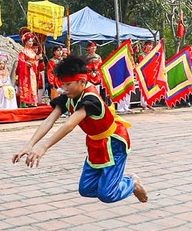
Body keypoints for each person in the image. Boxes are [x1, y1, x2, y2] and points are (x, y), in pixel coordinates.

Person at [13, 54, 148, 205]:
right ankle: (113, 181)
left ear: (82, 81)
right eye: (62, 84)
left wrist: (44, 147)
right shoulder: (69, 95)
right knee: (86, 189)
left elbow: (69, 124)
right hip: (95, 143)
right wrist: (30, 144)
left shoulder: (91, 98)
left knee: (107, 195)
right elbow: (50, 120)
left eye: (68, 84)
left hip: (114, 142)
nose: (64, 89)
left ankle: (132, 182)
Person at [16, 31, 42, 106]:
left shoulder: (32, 52)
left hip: (32, 71)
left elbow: (35, 61)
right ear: (25, 42)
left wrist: (37, 60)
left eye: (31, 41)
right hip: (25, 72)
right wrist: (26, 63)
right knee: (26, 86)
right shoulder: (23, 51)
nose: (31, 43)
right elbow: (21, 61)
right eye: (29, 41)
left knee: (32, 86)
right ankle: (25, 102)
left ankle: (32, 102)